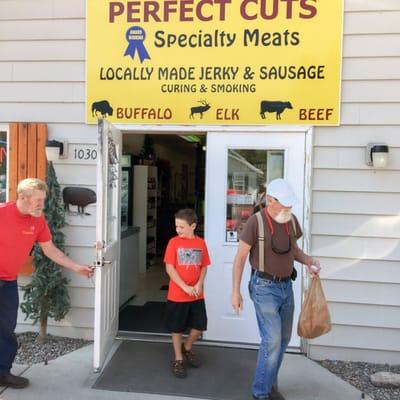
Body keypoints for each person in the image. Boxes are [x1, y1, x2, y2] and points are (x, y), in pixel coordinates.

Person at [231, 178, 320, 400]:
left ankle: (269, 385)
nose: (289, 207)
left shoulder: (291, 221)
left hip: (285, 287)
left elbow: (293, 251)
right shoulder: (255, 222)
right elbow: (240, 259)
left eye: (290, 203)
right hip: (263, 287)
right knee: (272, 340)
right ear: (270, 200)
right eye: (284, 203)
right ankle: (260, 393)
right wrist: (236, 291)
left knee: (283, 340)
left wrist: (309, 261)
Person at [0, 178, 94, 389]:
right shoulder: (2, 212)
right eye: (38, 200)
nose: (42, 205)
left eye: (43, 200)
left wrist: (76, 267)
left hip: (7, 282)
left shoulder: (38, 221)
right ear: (22, 197)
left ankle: (2, 373)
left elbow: (50, 250)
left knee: (6, 329)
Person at [164, 208, 211, 378]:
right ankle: (178, 358)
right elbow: (170, 268)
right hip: (178, 294)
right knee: (176, 328)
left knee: (199, 325)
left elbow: (204, 266)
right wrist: (184, 287)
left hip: (197, 294)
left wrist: (199, 283)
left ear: (193, 226)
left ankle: (188, 347)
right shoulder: (173, 243)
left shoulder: (201, 243)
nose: (178, 230)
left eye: (182, 227)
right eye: (176, 226)